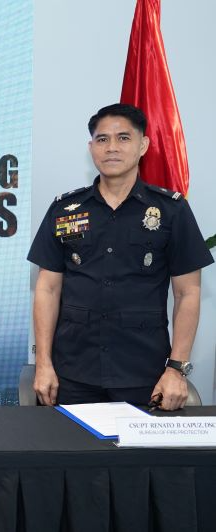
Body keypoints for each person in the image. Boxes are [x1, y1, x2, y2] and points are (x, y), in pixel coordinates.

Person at [28, 103, 213, 410]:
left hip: (145, 374)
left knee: (142, 460)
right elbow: (47, 289)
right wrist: (43, 363)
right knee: (70, 456)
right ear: (91, 147)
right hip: (72, 373)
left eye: (123, 138)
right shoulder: (65, 210)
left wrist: (176, 369)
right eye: (102, 139)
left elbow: (188, 292)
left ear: (143, 145)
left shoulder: (171, 210)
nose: (111, 147)